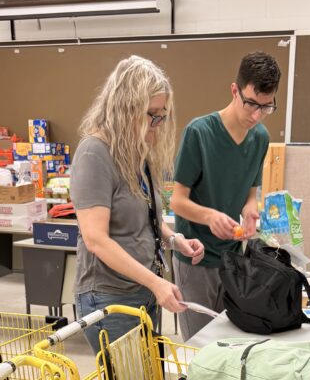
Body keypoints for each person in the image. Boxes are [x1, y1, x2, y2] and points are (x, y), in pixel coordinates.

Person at [72, 55, 203, 353]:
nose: (157, 124)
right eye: (151, 114)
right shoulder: (95, 153)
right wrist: (157, 284)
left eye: (162, 115)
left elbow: (144, 220)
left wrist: (175, 240)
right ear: (124, 108)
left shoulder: (135, 152)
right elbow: (96, 240)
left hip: (141, 290)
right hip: (110, 297)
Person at [169, 51, 281, 339]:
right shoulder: (200, 133)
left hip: (232, 258)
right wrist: (209, 216)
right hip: (195, 258)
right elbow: (177, 201)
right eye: (251, 104)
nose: (256, 115)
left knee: (228, 346)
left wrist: (250, 211)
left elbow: (250, 194)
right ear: (234, 90)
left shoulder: (260, 138)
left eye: (266, 107)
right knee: (200, 348)